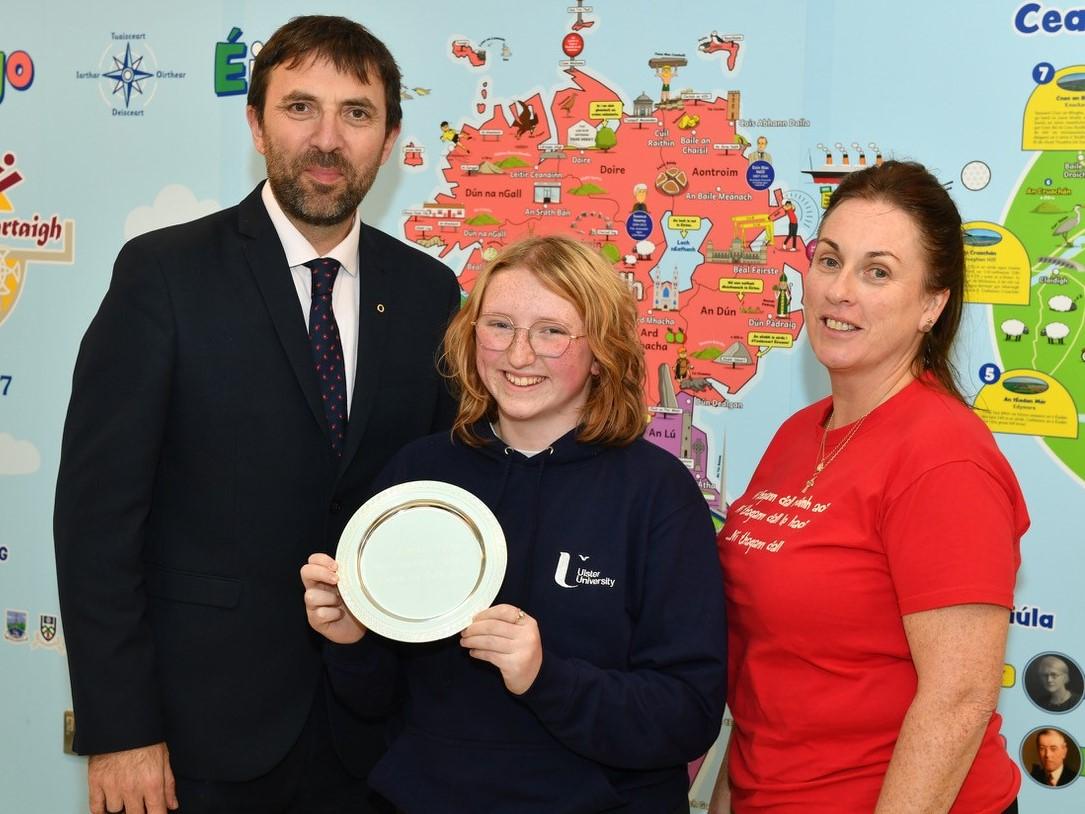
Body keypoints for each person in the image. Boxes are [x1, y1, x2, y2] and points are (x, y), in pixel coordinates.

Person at [53, 15, 460, 814]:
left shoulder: (427, 293)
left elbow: (434, 503)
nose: (327, 139)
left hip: (371, 739)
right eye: (300, 107)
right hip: (194, 739)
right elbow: (97, 525)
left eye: (356, 113)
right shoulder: (163, 276)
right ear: (255, 123)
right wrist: (122, 729)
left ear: (389, 140)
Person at [301, 235, 727, 813]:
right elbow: (374, 703)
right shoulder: (418, 477)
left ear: (601, 350)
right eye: (499, 325)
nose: (519, 355)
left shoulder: (657, 493)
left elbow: (688, 715)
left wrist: (545, 677)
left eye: (552, 331)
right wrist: (351, 640)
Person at [711, 161, 1028, 813]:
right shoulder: (799, 434)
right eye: (830, 261)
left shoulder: (944, 458)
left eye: (877, 272)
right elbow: (767, 670)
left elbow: (958, 701)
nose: (839, 290)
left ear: (931, 305)